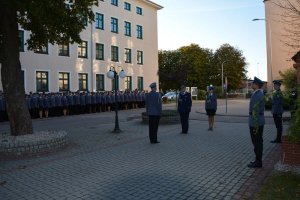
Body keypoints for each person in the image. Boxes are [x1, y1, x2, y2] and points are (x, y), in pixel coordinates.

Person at [248, 76, 265, 168]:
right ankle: (257, 160)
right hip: (255, 120)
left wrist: (255, 123)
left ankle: (258, 162)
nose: (252, 84)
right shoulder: (256, 93)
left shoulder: (258, 94)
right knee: (256, 142)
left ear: (256, 85)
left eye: (253, 83)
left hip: (256, 121)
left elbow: (256, 110)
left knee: (257, 142)